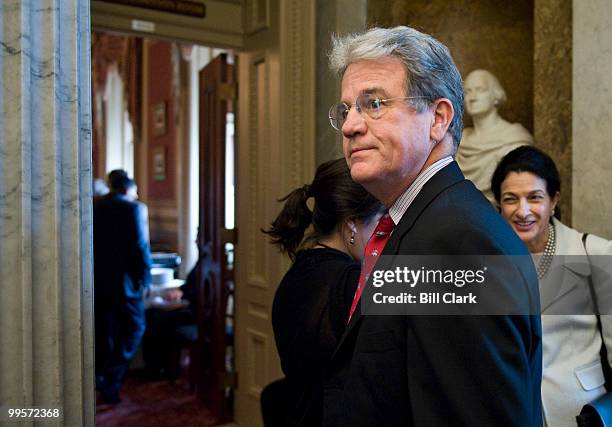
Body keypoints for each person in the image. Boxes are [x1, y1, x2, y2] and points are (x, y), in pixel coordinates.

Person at [325, 26, 542, 425]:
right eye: (347, 110)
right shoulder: (424, 221)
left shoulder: (456, 242)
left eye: (373, 104)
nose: (352, 125)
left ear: (438, 119)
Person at [492, 145, 612, 427]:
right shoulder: (489, 264)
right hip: (514, 409)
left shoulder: (595, 253)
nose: (523, 211)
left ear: (554, 200)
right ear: (499, 204)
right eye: (511, 199)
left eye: (535, 198)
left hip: (582, 411)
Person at [262, 158, 383, 425]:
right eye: (382, 221)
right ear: (352, 223)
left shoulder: (299, 271)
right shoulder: (351, 282)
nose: (388, 234)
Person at [94, 172, 152, 403]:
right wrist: (145, 280)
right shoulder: (134, 209)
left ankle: (102, 377)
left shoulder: (96, 207)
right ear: (128, 190)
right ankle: (112, 378)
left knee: (105, 333)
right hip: (127, 285)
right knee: (135, 329)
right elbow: (140, 246)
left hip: (99, 282)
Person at [456, 69, 533, 203]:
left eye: (480, 89)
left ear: (495, 95)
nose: (473, 97)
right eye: (467, 91)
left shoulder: (513, 137)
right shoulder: (460, 140)